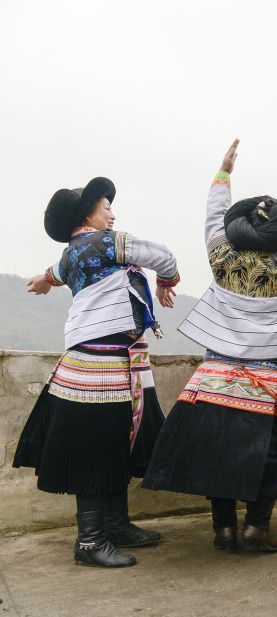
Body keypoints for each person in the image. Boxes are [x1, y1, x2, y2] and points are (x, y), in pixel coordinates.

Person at [143, 139, 277, 554]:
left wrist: (223, 174)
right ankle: (256, 528)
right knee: (270, 454)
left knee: (218, 452)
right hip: (273, 378)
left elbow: (213, 217)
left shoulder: (222, 258)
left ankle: (224, 528)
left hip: (217, 377)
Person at [15, 176, 179, 568]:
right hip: (101, 368)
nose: (113, 214)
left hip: (100, 364)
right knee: (98, 449)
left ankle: (116, 526)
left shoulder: (73, 251)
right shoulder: (107, 242)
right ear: (88, 212)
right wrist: (166, 282)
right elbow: (165, 256)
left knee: (112, 446)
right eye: (107, 207)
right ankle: (90, 541)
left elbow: (56, 271)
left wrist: (44, 279)